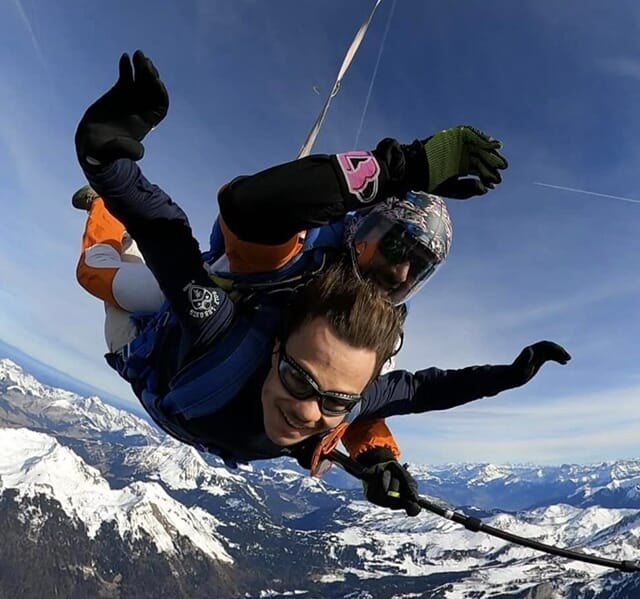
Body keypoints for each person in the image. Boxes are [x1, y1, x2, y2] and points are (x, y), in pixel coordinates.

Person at [74, 50, 571, 516]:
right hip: (174, 334)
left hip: (199, 382)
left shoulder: (370, 339)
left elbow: (400, 391)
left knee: (326, 383)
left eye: (416, 266)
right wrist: (110, 172)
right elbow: (244, 210)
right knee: (107, 274)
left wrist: (380, 453)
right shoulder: (288, 271)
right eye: (394, 248)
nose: (399, 272)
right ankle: (100, 207)